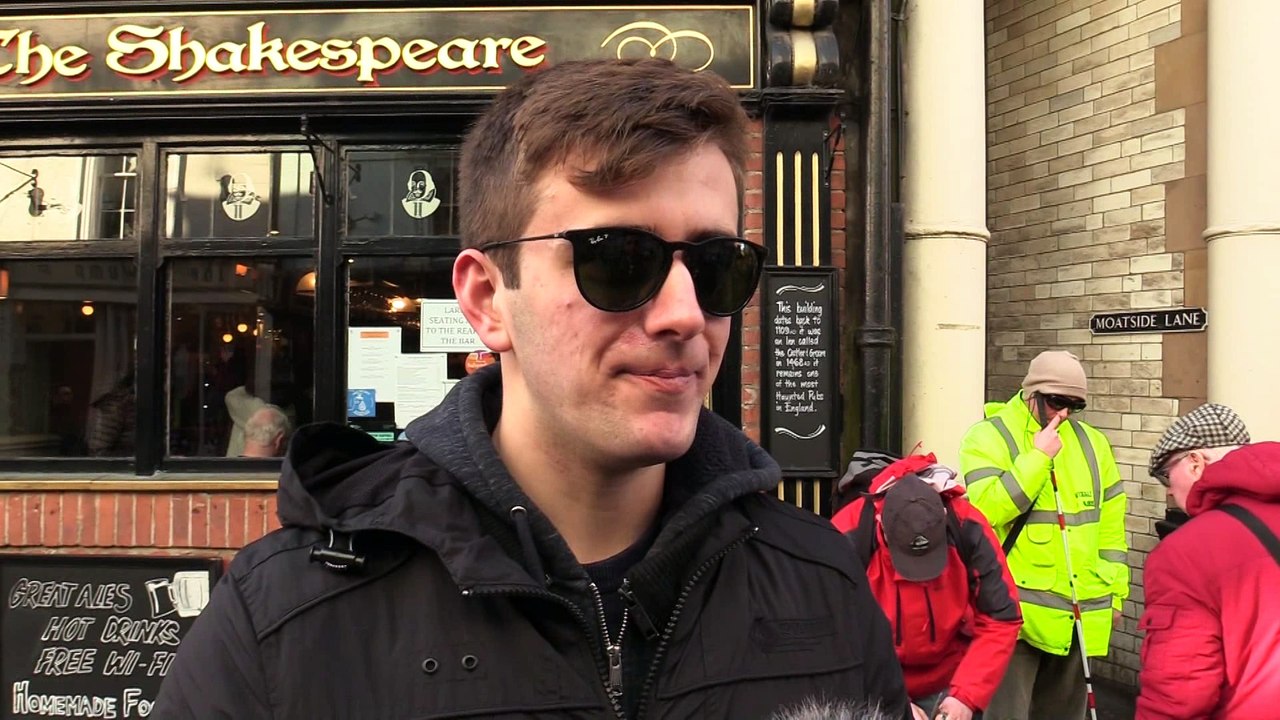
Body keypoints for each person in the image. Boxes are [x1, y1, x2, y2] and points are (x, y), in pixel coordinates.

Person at [154, 59, 908, 719]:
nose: (686, 315)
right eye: (618, 259)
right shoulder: (287, 619)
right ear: (486, 300)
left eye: (716, 267)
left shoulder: (822, 584)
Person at [958, 350, 1128, 720]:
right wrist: (1036, 458)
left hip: (1078, 613)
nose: (1063, 414)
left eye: (1074, 405)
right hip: (1013, 618)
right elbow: (985, 513)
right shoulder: (988, 437)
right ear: (1031, 393)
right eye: (1056, 402)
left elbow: (1111, 527)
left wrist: (1116, 594)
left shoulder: (1093, 444)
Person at [832, 453, 1022, 720]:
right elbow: (831, 637)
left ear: (943, 518)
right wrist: (892, 699)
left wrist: (966, 697)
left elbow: (1001, 618)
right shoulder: (847, 536)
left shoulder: (967, 526)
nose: (919, 576)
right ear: (881, 526)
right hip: (875, 683)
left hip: (953, 679)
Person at [1137, 403, 1280, 719]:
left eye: (1165, 476)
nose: (1170, 492)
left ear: (1195, 463)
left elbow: (1180, 694)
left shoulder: (1185, 553)